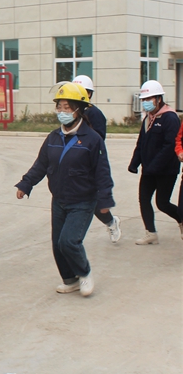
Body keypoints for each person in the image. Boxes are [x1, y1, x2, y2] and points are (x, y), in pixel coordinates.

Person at [15, 82, 115, 297]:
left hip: (83, 201)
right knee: (57, 244)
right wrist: (26, 183)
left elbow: (102, 172)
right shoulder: (53, 137)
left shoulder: (92, 139)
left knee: (69, 241)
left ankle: (84, 273)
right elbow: (41, 164)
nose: (62, 112)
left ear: (79, 110)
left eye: (67, 107)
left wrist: (105, 199)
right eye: (59, 107)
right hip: (59, 199)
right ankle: (70, 280)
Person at [128, 80, 182, 244]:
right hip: (149, 169)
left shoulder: (170, 118)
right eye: (144, 99)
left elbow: (170, 146)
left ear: (158, 99)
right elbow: (141, 143)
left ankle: (181, 219)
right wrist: (134, 163)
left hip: (166, 170)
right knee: (144, 199)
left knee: (162, 203)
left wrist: (154, 166)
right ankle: (151, 233)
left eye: (149, 99)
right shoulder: (148, 118)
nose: (146, 102)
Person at [73, 75, 122, 242]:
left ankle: (111, 222)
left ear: (88, 94)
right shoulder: (73, 112)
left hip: (89, 164)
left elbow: (98, 140)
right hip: (73, 163)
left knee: (95, 202)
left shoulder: (94, 113)